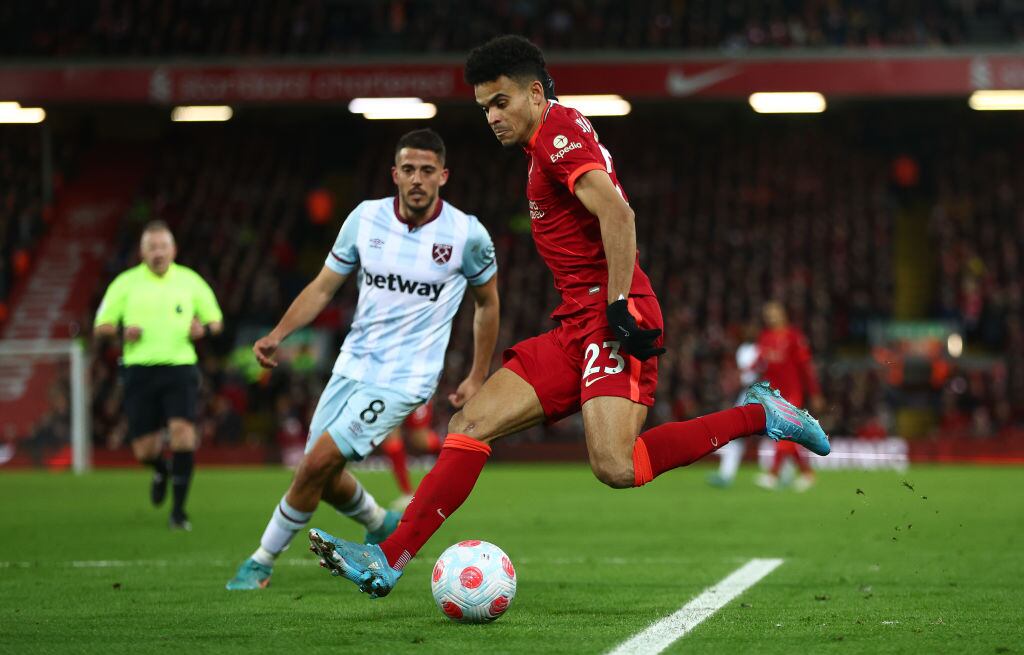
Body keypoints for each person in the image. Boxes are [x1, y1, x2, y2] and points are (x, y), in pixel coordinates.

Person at [308, 35, 829, 598]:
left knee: (617, 467)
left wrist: (619, 303)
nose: (492, 116)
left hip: (610, 317)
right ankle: (388, 558)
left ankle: (759, 414)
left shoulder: (556, 134)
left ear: (535, 92)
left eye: (501, 102)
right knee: (469, 426)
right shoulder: (551, 136)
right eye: (485, 107)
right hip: (575, 324)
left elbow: (619, 214)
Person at [225, 128, 500, 590]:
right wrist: (279, 335)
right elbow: (322, 286)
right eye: (408, 169)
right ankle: (379, 521)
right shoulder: (365, 219)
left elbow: (488, 303)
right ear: (394, 173)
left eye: (427, 171)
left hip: (405, 378)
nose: (417, 179)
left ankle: (261, 561)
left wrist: (477, 375)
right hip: (352, 364)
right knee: (323, 474)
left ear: (443, 176)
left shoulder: (466, 234)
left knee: (313, 466)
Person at [94, 220, 223, 530]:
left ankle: (178, 512)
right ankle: (161, 469)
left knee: (183, 434)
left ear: (173, 249)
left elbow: (216, 322)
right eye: (151, 247)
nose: (157, 252)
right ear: (142, 252)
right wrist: (123, 331)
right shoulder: (125, 284)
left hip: (180, 368)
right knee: (144, 450)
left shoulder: (190, 281)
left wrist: (202, 329)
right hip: (139, 371)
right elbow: (101, 327)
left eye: (163, 246)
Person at [753, 301, 826, 492]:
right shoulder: (765, 337)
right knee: (786, 434)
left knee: (784, 429)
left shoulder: (794, 337)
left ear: (783, 314)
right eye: (767, 314)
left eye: (774, 312)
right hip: (772, 393)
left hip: (792, 392)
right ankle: (807, 474)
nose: (771, 317)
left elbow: (806, 367)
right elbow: (760, 363)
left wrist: (815, 392)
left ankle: (773, 474)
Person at [707, 332, 760, 488]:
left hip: (764, 393)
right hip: (751, 394)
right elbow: (746, 375)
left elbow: (749, 375)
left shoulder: (761, 347)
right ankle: (725, 475)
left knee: (779, 432)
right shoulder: (744, 349)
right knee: (737, 433)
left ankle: (785, 472)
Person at [379, 398, 441, 511]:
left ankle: (458, 457)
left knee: (421, 440)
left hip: (415, 391)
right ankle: (407, 493)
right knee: (391, 439)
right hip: (390, 394)